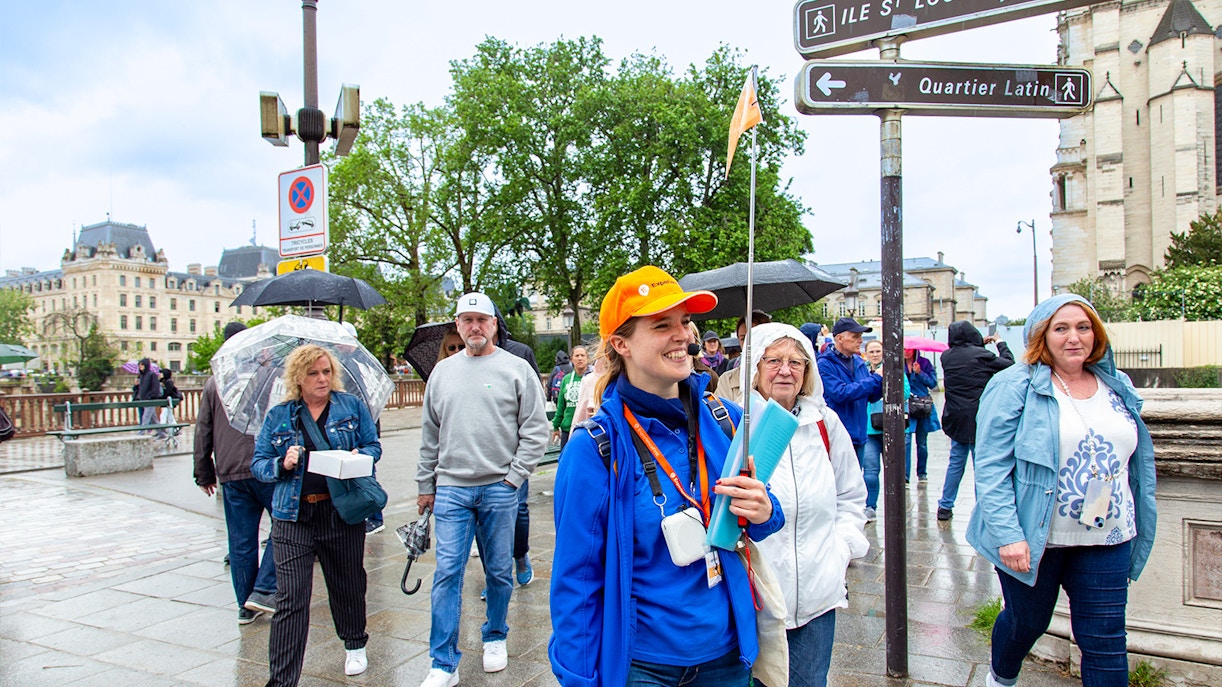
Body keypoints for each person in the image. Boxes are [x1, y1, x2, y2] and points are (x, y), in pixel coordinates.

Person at [549, 265, 783, 687]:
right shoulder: (593, 449)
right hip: (643, 668)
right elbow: (576, 580)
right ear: (620, 343)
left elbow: (767, 518)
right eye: (662, 325)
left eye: (686, 321)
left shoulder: (726, 421)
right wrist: (578, 678)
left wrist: (765, 509)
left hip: (729, 658)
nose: (683, 336)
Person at [967, 294, 1157, 687]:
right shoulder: (1013, 385)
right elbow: (991, 464)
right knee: (1027, 624)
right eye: (1062, 328)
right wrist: (1008, 535)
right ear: (1042, 336)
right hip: (1036, 536)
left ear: (1096, 334)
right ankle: (1001, 677)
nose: (1075, 337)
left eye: (1083, 327)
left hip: (1109, 534)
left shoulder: (1115, 384)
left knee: (1105, 638)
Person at [416, 292, 549, 687]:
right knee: (448, 572)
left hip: (499, 487)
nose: (475, 327)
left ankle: (495, 634)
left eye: (482, 320)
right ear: (456, 325)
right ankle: (442, 662)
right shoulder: (442, 373)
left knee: (497, 571)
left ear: (494, 325)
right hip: (452, 487)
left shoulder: (516, 368)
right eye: (466, 320)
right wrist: (426, 485)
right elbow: (429, 435)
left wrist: (515, 477)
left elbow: (536, 429)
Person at [746, 323, 869, 687]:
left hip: (819, 597)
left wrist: (842, 550)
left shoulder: (825, 425)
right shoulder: (737, 425)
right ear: (755, 367)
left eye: (796, 362)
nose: (785, 370)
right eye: (773, 360)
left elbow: (851, 496)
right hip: (759, 601)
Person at [251, 344, 382, 684]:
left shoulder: (350, 406)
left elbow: (373, 446)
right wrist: (283, 463)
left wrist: (356, 455)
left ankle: (354, 642)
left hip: (340, 511)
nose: (322, 378)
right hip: (293, 516)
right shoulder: (280, 416)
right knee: (291, 600)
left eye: (326, 371)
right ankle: (281, 680)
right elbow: (259, 465)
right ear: (298, 378)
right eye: (313, 373)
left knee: (347, 584)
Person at [193, 322, 277, 625]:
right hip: (264, 464)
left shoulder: (215, 381)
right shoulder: (267, 376)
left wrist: (204, 472)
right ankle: (264, 588)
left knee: (241, 540)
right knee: (285, 525)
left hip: (229, 469)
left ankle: (245, 605)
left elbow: (203, 429)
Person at [937, 321, 1014, 521]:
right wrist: (999, 342)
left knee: (956, 462)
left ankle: (945, 506)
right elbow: (1008, 364)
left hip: (955, 418)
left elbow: (969, 360)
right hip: (979, 419)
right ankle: (983, 508)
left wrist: (979, 345)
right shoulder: (981, 355)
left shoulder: (946, 357)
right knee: (981, 465)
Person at [817, 317, 883, 467]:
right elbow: (841, 393)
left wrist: (883, 382)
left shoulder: (858, 361)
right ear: (839, 338)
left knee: (857, 485)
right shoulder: (824, 364)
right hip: (838, 437)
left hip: (859, 435)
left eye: (860, 336)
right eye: (855, 336)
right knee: (839, 487)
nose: (860, 340)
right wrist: (875, 378)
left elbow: (871, 396)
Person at [860, 339, 912, 522]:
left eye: (878, 351)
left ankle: (896, 508)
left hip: (891, 428)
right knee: (871, 470)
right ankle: (870, 506)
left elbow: (905, 392)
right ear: (866, 353)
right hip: (868, 428)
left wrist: (883, 382)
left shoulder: (894, 368)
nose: (875, 354)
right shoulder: (862, 370)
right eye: (871, 351)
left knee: (894, 471)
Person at [905, 348, 940, 483]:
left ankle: (922, 472)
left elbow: (932, 383)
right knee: (906, 441)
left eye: (909, 349)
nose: (906, 352)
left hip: (922, 407)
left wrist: (920, 373)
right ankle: (905, 476)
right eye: (904, 349)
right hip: (907, 407)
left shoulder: (924, 363)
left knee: (922, 443)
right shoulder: (897, 363)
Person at [551, 344, 588, 449]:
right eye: (577, 356)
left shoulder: (593, 378)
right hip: (568, 429)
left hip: (586, 429)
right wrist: (555, 426)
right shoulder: (566, 379)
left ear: (587, 358)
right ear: (572, 359)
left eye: (582, 355)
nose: (580, 358)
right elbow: (561, 406)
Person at [135, 358, 160, 432]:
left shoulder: (152, 375)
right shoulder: (142, 376)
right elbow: (139, 389)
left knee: (145, 417)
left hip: (150, 400)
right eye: (139, 365)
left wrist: (150, 397)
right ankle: (161, 433)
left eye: (142, 364)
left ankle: (141, 433)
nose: (140, 366)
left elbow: (155, 388)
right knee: (153, 419)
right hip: (143, 400)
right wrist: (136, 385)